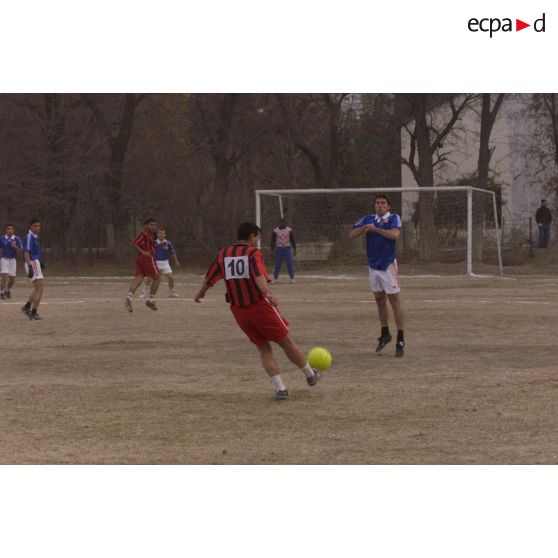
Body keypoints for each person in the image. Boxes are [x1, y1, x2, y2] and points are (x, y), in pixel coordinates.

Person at [194, 222, 320, 401]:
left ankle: (280, 389)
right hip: (259, 307)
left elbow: (210, 278)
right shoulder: (253, 253)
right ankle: (310, 374)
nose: (257, 241)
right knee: (286, 342)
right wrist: (268, 295)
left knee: (263, 347)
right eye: (257, 237)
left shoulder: (223, 254)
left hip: (239, 311)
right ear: (252, 236)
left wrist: (200, 293)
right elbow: (259, 276)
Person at [349, 194, 405, 358]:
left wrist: (377, 229)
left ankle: (401, 339)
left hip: (387, 265)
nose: (379, 206)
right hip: (373, 266)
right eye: (377, 203)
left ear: (388, 206)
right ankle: (385, 333)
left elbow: (395, 235)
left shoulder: (394, 218)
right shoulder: (368, 218)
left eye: (383, 203)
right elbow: (351, 235)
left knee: (394, 300)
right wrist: (364, 228)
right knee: (379, 300)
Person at [125, 217, 161, 312]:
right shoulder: (144, 234)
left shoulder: (152, 235)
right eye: (151, 225)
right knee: (157, 278)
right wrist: (143, 251)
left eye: (155, 225)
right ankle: (151, 300)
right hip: (147, 258)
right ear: (147, 225)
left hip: (140, 259)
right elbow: (135, 243)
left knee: (139, 278)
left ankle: (128, 297)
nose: (153, 227)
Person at [141, 228, 180, 298]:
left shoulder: (168, 243)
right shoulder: (154, 242)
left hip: (165, 263)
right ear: (158, 234)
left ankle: (172, 292)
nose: (162, 235)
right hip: (155, 262)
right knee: (150, 278)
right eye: (160, 233)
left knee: (171, 277)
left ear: (165, 235)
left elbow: (172, 252)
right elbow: (148, 251)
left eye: (163, 233)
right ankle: (144, 292)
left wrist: (176, 261)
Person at [21, 218, 45, 320]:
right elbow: (26, 252)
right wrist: (30, 266)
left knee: (37, 289)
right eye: (35, 226)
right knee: (40, 289)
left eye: (38, 226)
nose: (37, 228)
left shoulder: (35, 236)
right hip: (32, 263)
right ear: (30, 226)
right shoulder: (29, 236)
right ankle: (33, 312)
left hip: (35, 263)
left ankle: (27, 307)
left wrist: (40, 262)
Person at [0, 224, 23, 300]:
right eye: (8, 229)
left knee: (12, 278)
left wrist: (15, 247)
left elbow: (22, 251)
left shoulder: (17, 239)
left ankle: (7, 290)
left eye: (11, 229)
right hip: (4, 259)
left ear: (13, 230)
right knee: (4, 277)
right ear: (6, 230)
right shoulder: (2, 239)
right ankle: (2, 292)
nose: (10, 230)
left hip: (13, 260)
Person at [271, 218, 297, 283]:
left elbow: (292, 239)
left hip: (287, 248)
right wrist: (272, 250)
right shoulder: (275, 231)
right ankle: (275, 278)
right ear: (278, 223)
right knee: (277, 263)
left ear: (285, 223)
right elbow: (273, 241)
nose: (282, 224)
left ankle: (292, 278)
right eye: (280, 223)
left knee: (289, 263)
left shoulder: (289, 230)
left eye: (283, 223)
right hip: (279, 248)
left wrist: (294, 248)